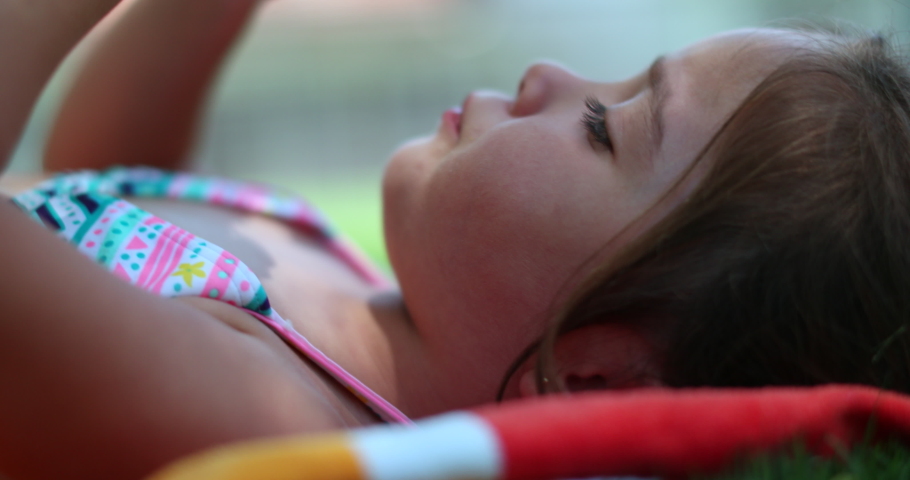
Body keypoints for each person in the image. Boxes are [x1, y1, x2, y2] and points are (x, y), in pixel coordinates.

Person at [2, 0, 909, 478]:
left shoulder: (261, 420)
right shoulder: (349, 290)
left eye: (604, 124)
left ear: (592, 375)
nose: (546, 73)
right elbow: (102, 172)